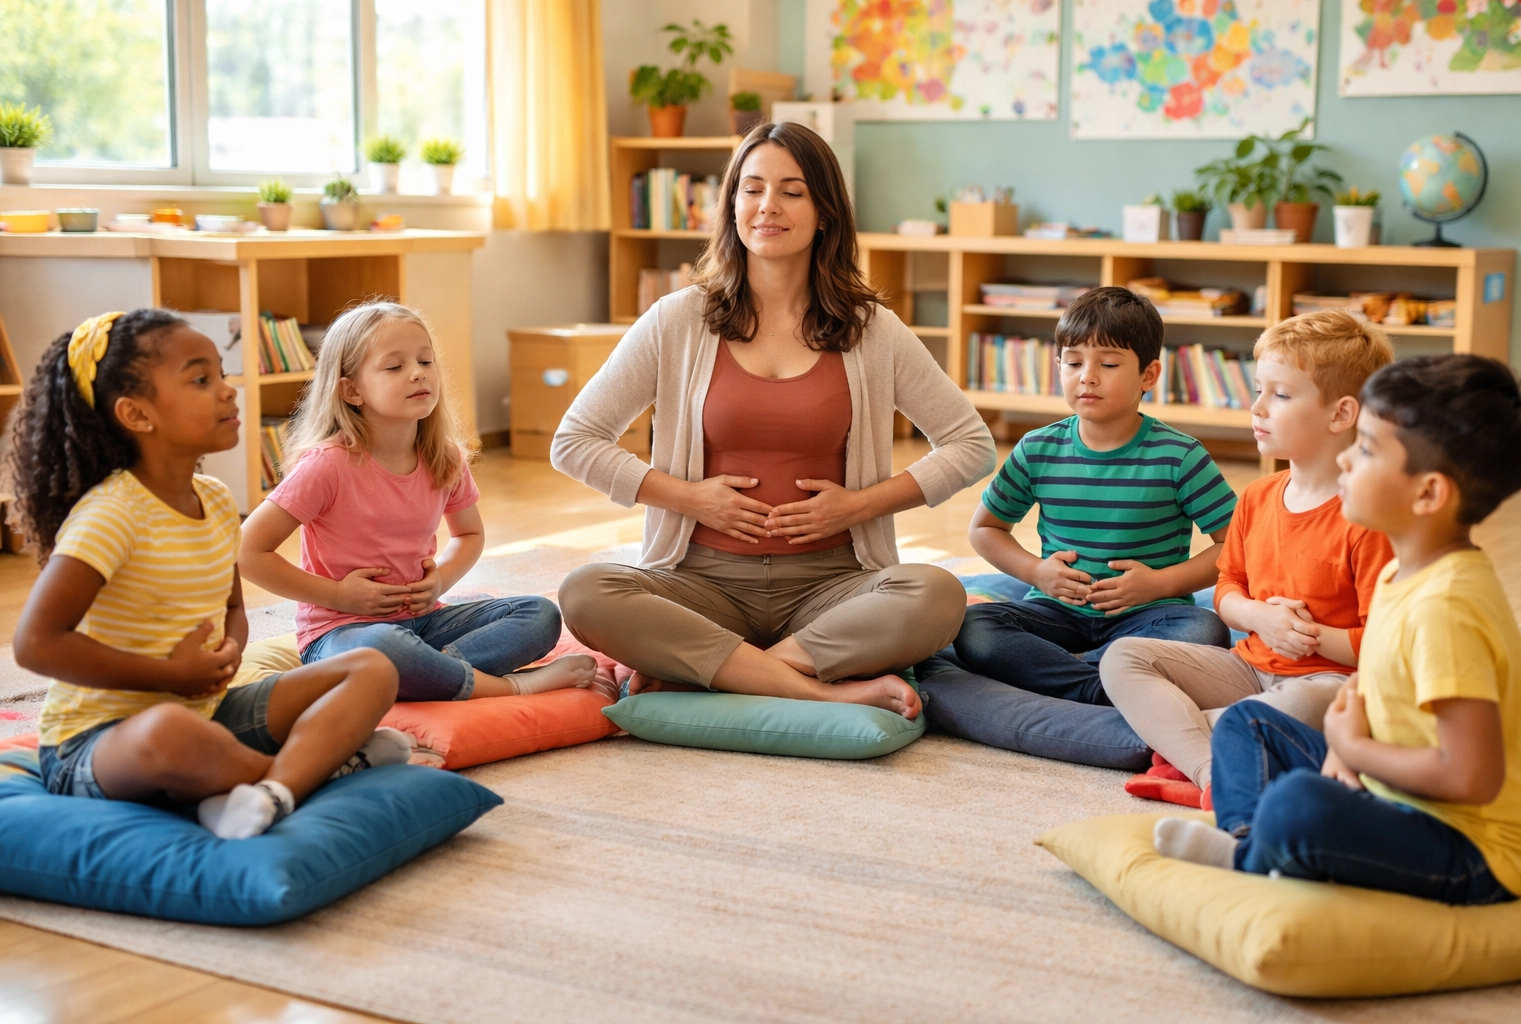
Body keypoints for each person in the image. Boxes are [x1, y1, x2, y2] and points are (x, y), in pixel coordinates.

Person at [552, 120, 995, 718]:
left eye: (792, 191)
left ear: (824, 212)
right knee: (586, 593)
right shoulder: (677, 319)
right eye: (752, 188)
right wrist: (689, 498)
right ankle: (812, 685)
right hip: (700, 582)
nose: (768, 206)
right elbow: (574, 441)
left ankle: (720, 671)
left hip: (832, 586)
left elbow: (970, 444)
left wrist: (860, 505)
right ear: (732, 202)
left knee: (938, 595)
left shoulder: (872, 329)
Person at [10, 310, 405, 840]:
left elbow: (233, 610)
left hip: (206, 709)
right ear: (136, 413)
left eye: (222, 373)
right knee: (169, 731)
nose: (228, 391)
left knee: (370, 669)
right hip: (97, 744)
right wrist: (171, 677)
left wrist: (229, 652)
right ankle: (318, 773)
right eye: (201, 380)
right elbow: (35, 644)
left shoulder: (217, 501)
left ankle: (269, 792)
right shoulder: (111, 515)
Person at [1156, 354, 1521, 906]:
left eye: (1368, 449)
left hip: (1471, 848)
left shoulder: (1447, 607)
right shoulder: (1402, 568)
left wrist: (1353, 748)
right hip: (1396, 791)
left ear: (1428, 494)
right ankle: (1248, 847)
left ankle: (1255, 852)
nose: (1347, 462)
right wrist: (1352, 726)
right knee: (1248, 725)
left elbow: (1472, 778)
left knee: (1298, 803)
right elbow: (1383, 672)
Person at [1102, 310, 1396, 807]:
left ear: (1341, 414)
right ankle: (1210, 769)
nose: (1257, 408)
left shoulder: (1370, 517)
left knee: (1312, 700)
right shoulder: (1258, 497)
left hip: (1329, 681)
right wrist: (1260, 617)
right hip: (1249, 669)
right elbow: (1225, 590)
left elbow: (1388, 647)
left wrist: (1307, 636)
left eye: (1279, 395)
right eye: (1258, 390)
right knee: (1123, 656)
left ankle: (1185, 745)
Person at [239, 302, 595, 701]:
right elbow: (248, 552)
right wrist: (339, 596)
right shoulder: (327, 465)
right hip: (343, 633)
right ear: (352, 390)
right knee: (385, 650)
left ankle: (428, 673)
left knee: (540, 615)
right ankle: (503, 687)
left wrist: (440, 580)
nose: (417, 373)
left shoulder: (444, 456)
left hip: (425, 623)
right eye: (394, 367)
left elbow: (470, 533)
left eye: (426, 361)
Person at [952, 286, 1236, 707]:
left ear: (1149, 376)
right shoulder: (1037, 448)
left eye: (1108, 363)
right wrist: (1036, 573)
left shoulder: (1180, 456)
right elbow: (985, 529)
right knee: (973, 626)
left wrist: (1158, 584)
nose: (1087, 375)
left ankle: (1076, 675)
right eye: (1073, 362)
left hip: (1150, 615)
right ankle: (1103, 683)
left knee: (1206, 632)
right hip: (1057, 610)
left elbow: (1234, 546)